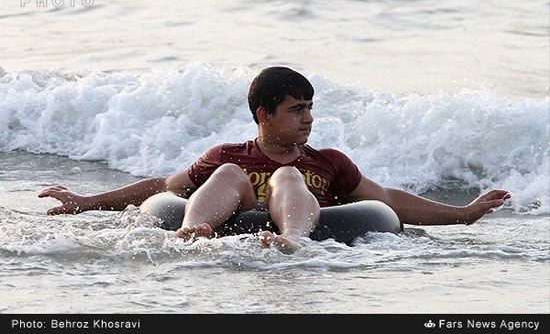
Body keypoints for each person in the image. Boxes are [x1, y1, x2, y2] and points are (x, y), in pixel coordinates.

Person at [38, 67, 511, 253]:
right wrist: (86, 201)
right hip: (230, 217)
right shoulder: (231, 155)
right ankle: (196, 228)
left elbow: (384, 201)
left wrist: (463, 215)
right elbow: (163, 189)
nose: (307, 119)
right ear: (263, 115)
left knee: (289, 174)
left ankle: (292, 240)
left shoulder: (327, 162)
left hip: (295, 227)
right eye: (296, 110)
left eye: (309, 108)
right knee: (225, 172)